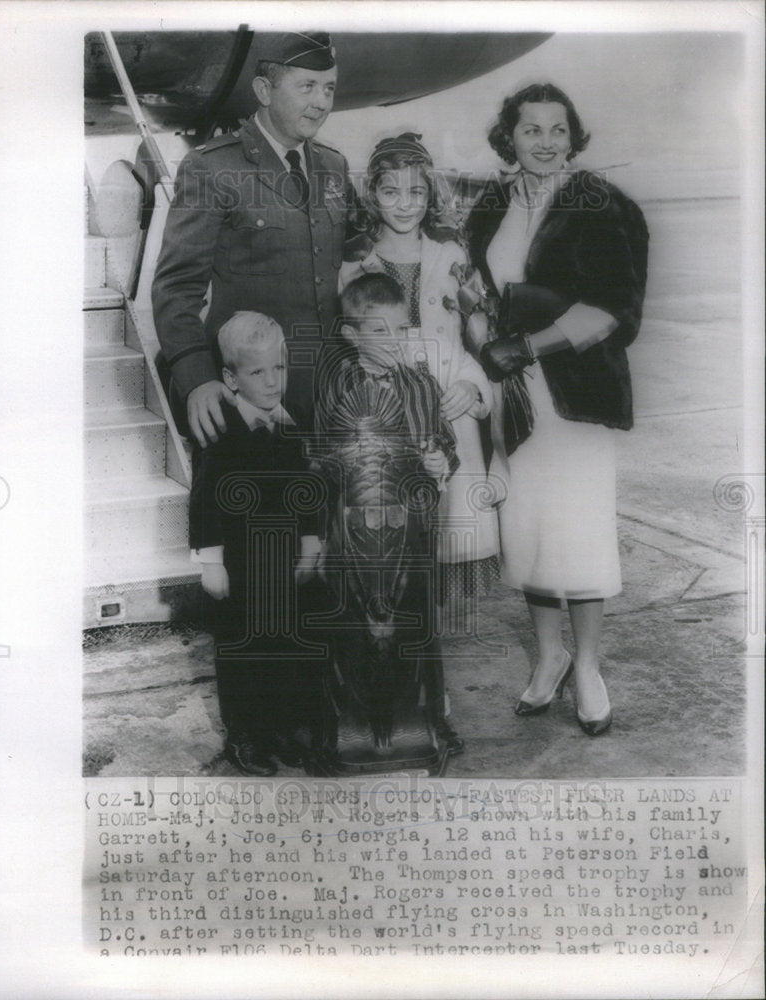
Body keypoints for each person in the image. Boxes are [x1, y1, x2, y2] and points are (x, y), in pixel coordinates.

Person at [466, 83, 648, 736]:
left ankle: (590, 666)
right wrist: (482, 336)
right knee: (531, 531)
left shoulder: (602, 205)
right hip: (512, 398)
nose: (544, 141)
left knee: (579, 533)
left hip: (575, 394)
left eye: (556, 129)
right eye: (530, 129)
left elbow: (618, 308)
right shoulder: (489, 205)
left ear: (572, 137)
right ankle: (548, 658)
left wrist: (529, 346)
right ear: (507, 138)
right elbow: (477, 289)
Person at [152, 31, 352, 446]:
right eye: (307, 86)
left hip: (327, 397)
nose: (321, 102)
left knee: (325, 510)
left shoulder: (334, 167)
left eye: (329, 88)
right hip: (246, 403)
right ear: (264, 89)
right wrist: (197, 379)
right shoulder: (213, 168)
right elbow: (176, 287)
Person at [340, 133, 502, 608]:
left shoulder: (452, 253)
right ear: (372, 194)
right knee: (394, 534)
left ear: (430, 194)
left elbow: (476, 338)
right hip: (387, 415)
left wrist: (474, 389)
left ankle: (431, 666)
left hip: (449, 408)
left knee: (450, 534)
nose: (404, 204)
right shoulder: (354, 261)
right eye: (391, 192)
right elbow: (347, 342)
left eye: (416, 192)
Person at [313, 272, 464, 762]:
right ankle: (351, 721)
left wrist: (440, 460)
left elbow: (445, 441)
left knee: (419, 628)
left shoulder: (420, 383)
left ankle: (432, 720)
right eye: (379, 332)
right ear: (350, 333)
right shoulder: (332, 387)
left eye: (401, 331)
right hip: (353, 543)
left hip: (413, 540)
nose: (394, 343)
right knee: (355, 631)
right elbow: (319, 461)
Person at [189, 311, 324, 776]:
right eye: (257, 372)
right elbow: (205, 499)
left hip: (285, 563)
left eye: (279, 369)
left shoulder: (293, 422)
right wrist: (211, 562)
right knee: (243, 652)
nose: (271, 382)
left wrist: (310, 542)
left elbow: (310, 492)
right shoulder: (221, 432)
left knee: (287, 647)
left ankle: (283, 728)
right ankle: (245, 735)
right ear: (230, 378)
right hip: (241, 566)